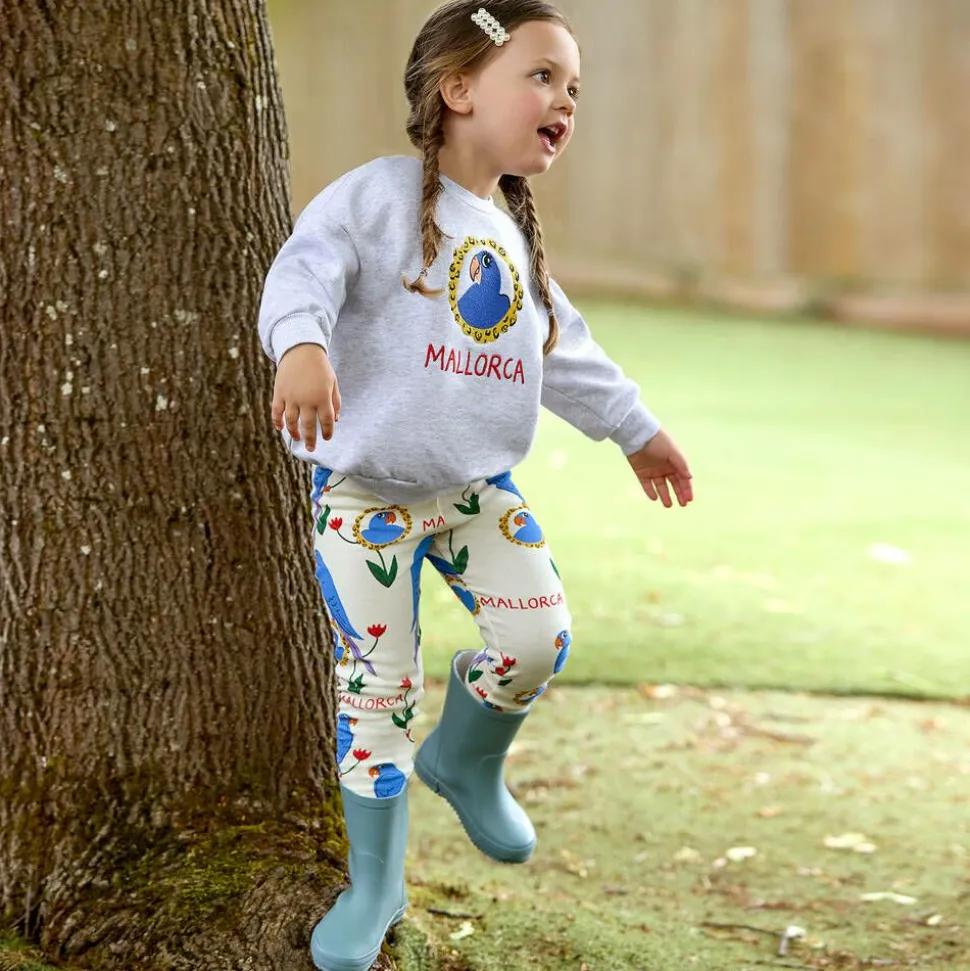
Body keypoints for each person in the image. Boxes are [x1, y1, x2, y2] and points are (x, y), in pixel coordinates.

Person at [258, 2, 693, 968]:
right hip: (365, 500)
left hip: (476, 493)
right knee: (378, 691)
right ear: (458, 90)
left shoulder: (508, 235)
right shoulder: (374, 197)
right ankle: (375, 885)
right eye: (542, 76)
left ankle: (465, 758)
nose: (565, 101)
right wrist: (299, 347)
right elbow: (304, 271)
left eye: (574, 88)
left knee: (540, 637)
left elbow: (564, 352)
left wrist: (639, 432)